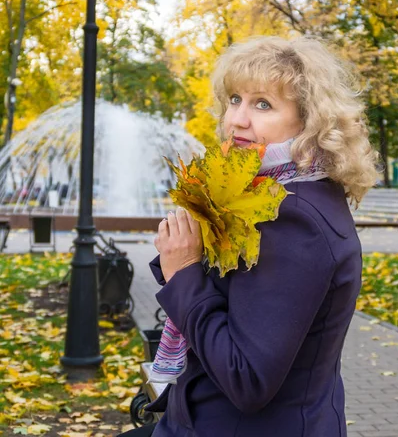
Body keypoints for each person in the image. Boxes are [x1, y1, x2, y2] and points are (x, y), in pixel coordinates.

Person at [122, 36, 378, 437]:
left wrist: (184, 271)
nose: (237, 119)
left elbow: (248, 379)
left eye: (263, 104)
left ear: (310, 122)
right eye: (235, 99)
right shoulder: (273, 191)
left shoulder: (290, 217)